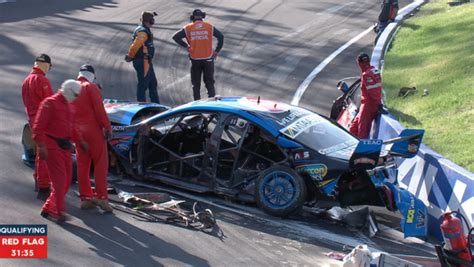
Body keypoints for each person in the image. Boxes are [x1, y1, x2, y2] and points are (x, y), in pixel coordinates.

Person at [33, 80, 84, 222]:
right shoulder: (49, 103)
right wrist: (41, 146)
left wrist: (80, 141)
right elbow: (38, 126)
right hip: (52, 146)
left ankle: (49, 207)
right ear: (68, 91)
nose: (76, 97)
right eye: (75, 94)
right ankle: (58, 211)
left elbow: (71, 127)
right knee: (59, 181)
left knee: (66, 180)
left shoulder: (69, 106)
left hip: (65, 147)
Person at [72, 64, 113, 213]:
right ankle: (101, 196)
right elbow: (99, 110)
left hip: (78, 132)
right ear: (91, 76)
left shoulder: (71, 87)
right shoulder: (90, 87)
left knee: (83, 165)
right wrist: (107, 127)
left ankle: (85, 198)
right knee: (101, 163)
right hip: (93, 131)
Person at [172, 9, 224, 100]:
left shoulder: (188, 28)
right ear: (202, 17)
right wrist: (216, 51)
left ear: (192, 17)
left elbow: (175, 37)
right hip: (208, 59)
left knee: (196, 84)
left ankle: (197, 106)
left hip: (195, 60)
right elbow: (221, 36)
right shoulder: (209, 27)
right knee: (209, 83)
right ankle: (212, 105)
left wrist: (186, 46)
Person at [21, 54, 53, 200]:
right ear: (45, 65)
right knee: (44, 155)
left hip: (32, 121)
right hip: (43, 122)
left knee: (40, 152)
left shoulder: (26, 80)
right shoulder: (42, 80)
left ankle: (38, 180)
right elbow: (50, 103)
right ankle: (43, 186)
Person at [125, 11, 160, 103]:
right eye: (152, 20)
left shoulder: (144, 29)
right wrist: (130, 55)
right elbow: (136, 45)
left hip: (146, 61)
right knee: (143, 85)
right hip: (142, 61)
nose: (153, 22)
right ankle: (141, 106)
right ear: (148, 21)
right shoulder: (142, 31)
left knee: (153, 84)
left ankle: (156, 106)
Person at [349, 53, 382, 139]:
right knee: (352, 129)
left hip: (367, 106)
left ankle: (361, 151)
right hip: (368, 105)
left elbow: (374, 93)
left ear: (359, 63)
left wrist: (377, 104)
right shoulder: (375, 70)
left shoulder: (366, 75)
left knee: (362, 134)